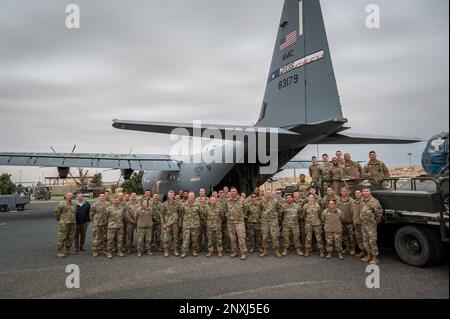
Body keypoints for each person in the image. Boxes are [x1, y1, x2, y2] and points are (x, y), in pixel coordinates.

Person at [360, 188, 383, 264]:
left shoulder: (374, 201)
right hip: (363, 224)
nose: (365, 192)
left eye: (367, 191)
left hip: (371, 224)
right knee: (365, 240)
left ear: (370, 192)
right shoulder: (362, 200)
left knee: (372, 241)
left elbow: (379, 213)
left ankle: (375, 257)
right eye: (364, 191)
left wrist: (376, 221)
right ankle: (368, 255)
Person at [226, 187, 248, 260]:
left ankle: (243, 253)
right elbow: (225, 210)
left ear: (237, 191)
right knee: (232, 238)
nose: (233, 192)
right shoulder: (227, 201)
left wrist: (242, 216)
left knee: (241, 238)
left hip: (239, 222)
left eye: (234, 191)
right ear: (230, 192)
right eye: (231, 191)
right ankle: (235, 251)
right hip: (230, 222)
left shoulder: (242, 200)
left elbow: (246, 209)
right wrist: (228, 216)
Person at [54, 192, 77, 257]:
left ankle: (68, 249)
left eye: (71, 196)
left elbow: (75, 212)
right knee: (62, 237)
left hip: (72, 223)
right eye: (69, 195)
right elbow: (56, 212)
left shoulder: (74, 204)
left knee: (71, 237)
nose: (70, 197)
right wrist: (60, 219)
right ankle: (59, 251)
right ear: (66, 196)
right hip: (64, 223)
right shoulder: (62, 204)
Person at [260, 190, 282, 258]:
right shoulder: (262, 201)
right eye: (266, 193)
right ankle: (265, 250)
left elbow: (279, 209)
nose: (268, 194)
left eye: (269, 193)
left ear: (271, 194)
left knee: (274, 236)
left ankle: (276, 251)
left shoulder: (275, 201)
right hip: (265, 221)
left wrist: (276, 216)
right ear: (265, 194)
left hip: (273, 221)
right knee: (264, 236)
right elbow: (260, 210)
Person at [180, 192, 201, 258]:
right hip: (186, 225)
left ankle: (194, 251)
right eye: (190, 196)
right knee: (185, 239)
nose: (191, 197)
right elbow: (181, 214)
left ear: (194, 197)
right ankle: (184, 252)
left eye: (192, 196)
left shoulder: (198, 205)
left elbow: (200, 214)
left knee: (194, 239)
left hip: (195, 225)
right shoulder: (184, 205)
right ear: (188, 196)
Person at [161, 191, 181, 257]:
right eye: (169, 195)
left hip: (175, 224)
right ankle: (166, 251)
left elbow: (180, 213)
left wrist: (179, 222)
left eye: (172, 195)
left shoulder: (177, 204)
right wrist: (163, 223)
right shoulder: (164, 204)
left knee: (175, 238)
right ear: (168, 196)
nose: (171, 196)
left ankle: (175, 250)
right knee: (166, 238)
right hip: (167, 224)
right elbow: (161, 215)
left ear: (173, 196)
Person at [336, 187, 356, 255]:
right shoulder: (338, 200)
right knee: (344, 236)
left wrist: (354, 221)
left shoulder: (351, 200)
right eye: (342, 191)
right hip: (341, 222)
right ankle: (347, 247)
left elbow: (354, 212)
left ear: (348, 192)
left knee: (351, 236)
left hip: (350, 222)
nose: (343, 192)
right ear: (340, 192)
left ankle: (352, 249)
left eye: (345, 191)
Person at [352, 189, 366, 258]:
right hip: (356, 223)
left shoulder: (364, 201)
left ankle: (368, 253)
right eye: (356, 193)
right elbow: (353, 213)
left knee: (365, 238)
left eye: (358, 193)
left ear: (361, 193)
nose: (357, 194)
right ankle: (362, 251)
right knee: (359, 238)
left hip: (363, 224)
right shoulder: (354, 202)